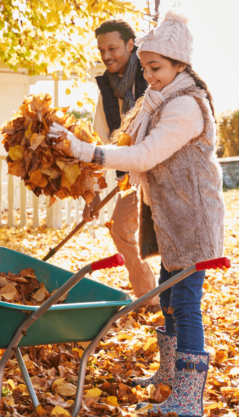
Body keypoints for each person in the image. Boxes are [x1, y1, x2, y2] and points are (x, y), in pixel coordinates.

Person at [50, 11, 224, 416]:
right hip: (168, 217)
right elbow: (128, 145)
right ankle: (168, 374)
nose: (147, 76)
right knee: (167, 294)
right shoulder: (159, 99)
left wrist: (84, 152)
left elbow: (144, 155)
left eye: (156, 67)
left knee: (185, 302)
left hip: (191, 219)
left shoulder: (186, 107)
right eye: (144, 67)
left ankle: (188, 397)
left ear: (180, 65)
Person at [86, 19, 159, 308]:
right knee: (120, 229)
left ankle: (177, 303)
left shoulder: (154, 75)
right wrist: (92, 194)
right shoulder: (106, 91)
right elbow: (100, 145)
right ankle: (149, 297)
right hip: (131, 179)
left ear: (131, 45)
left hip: (162, 172)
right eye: (102, 50)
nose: (106, 56)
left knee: (167, 236)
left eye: (113, 48)